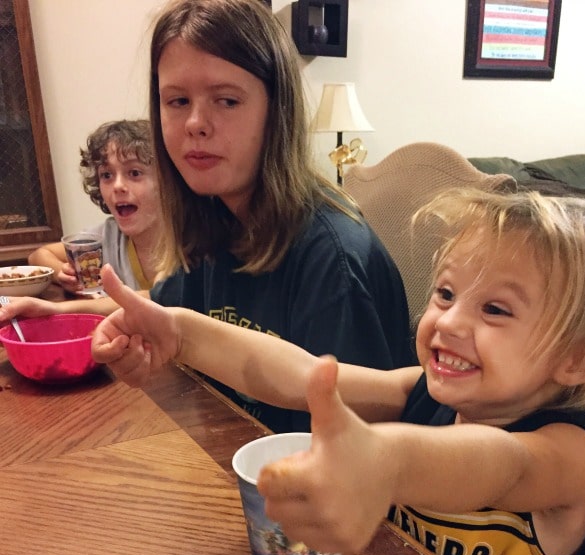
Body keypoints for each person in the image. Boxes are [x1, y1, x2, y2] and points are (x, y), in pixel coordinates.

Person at [91, 187, 585, 555]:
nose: (448, 321)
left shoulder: (572, 451)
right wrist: (182, 333)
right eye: (445, 293)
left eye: (496, 310)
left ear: (579, 358)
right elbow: (297, 372)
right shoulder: (421, 393)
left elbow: (504, 467)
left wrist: (386, 460)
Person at [4, 0, 413, 433]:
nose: (196, 123)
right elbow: (163, 311)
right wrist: (54, 314)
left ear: (277, 111)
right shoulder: (214, 218)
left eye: (227, 100)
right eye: (177, 100)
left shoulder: (332, 255)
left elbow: (369, 422)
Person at [29, 119, 162, 292]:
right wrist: (62, 274)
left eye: (134, 173)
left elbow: (159, 301)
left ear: (167, 181)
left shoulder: (191, 240)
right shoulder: (105, 238)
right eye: (107, 175)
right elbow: (39, 255)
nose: (117, 186)